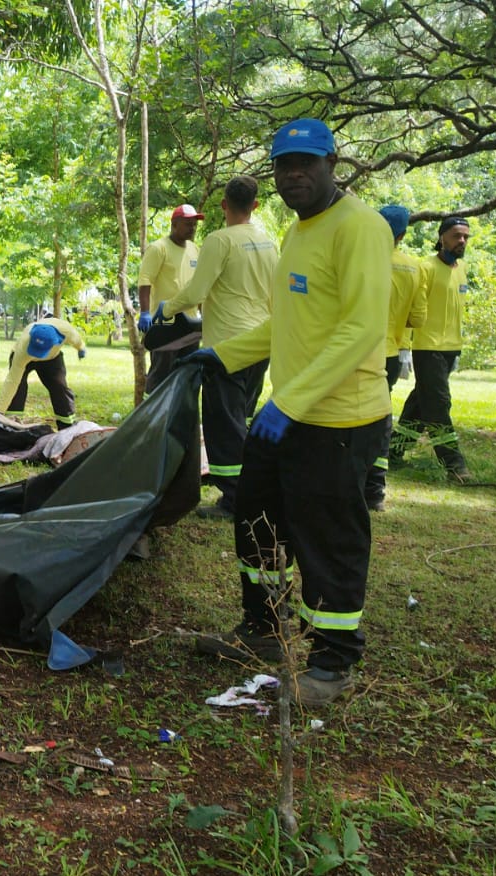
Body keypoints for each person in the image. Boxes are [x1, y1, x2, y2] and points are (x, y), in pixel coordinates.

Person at [184, 118, 392, 706]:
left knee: (327, 539)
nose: (295, 174)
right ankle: (264, 630)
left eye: (307, 162)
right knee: (256, 519)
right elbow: (286, 325)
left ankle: (330, 664)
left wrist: (291, 403)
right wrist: (220, 356)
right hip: (289, 415)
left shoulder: (360, 228)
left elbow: (359, 330)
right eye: (284, 165)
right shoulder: (299, 232)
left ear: (333, 162)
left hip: (339, 421)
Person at [159, 176, 279, 519]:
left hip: (226, 347)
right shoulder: (269, 243)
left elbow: (196, 293)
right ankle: (249, 484)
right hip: (259, 344)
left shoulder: (219, 240)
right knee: (241, 418)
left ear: (224, 205)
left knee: (223, 424)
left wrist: (165, 310)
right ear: (254, 206)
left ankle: (236, 500)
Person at [391, 216, 472, 480]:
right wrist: (404, 347)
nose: (461, 241)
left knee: (420, 402)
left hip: (451, 349)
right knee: (438, 405)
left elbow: (456, 310)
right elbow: (409, 307)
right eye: (456, 235)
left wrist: (458, 349)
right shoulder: (424, 268)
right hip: (428, 348)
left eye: (465, 237)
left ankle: (394, 451)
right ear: (442, 238)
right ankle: (454, 465)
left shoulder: (462, 268)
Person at [363, 205, 428, 510]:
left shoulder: (361, 258)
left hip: (359, 349)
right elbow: (418, 318)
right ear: (402, 234)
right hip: (390, 353)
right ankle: (375, 488)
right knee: (380, 416)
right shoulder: (415, 268)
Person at [136, 204, 204, 393]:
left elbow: (199, 285)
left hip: (190, 325)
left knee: (188, 375)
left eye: (194, 224)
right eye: (188, 224)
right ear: (174, 224)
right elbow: (145, 281)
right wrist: (144, 313)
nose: (192, 228)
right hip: (166, 323)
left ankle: (182, 419)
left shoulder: (194, 249)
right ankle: (152, 418)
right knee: (160, 374)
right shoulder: (158, 248)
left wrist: (203, 314)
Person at [0, 317, 87, 428]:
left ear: (57, 341)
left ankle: (67, 425)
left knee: (59, 388)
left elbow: (77, 340)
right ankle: (12, 424)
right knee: (18, 388)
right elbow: (12, 381)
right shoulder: (23, 346)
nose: (37, 355)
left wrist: (81, 349)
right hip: (26, 357)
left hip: (52, 359)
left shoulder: (66, 331)